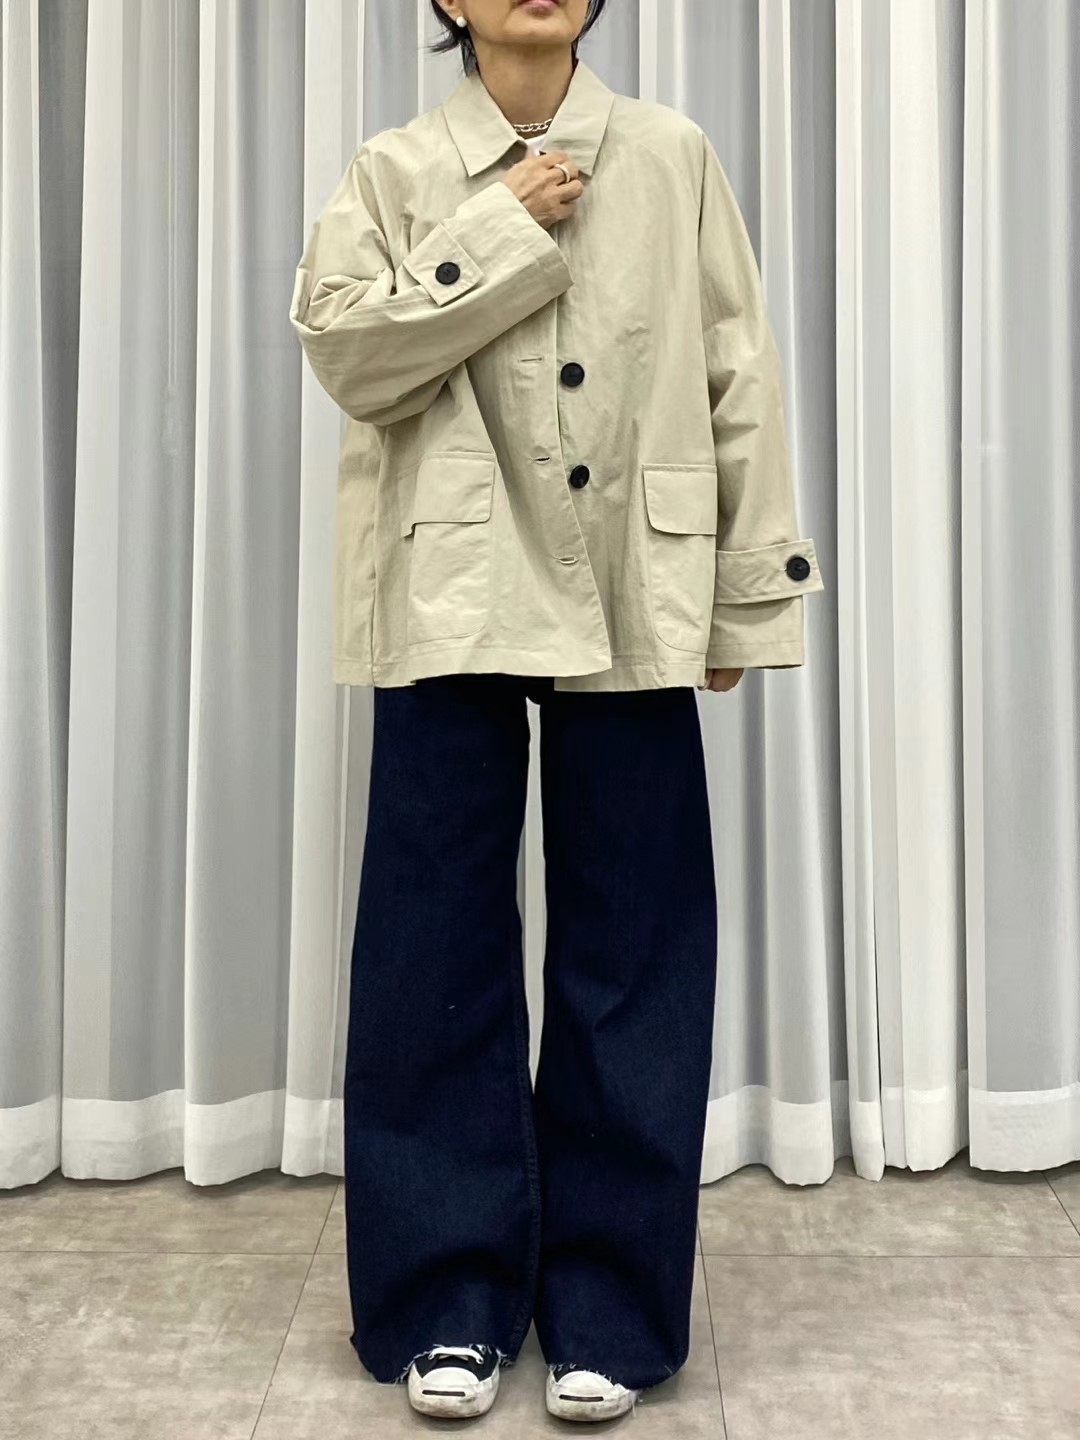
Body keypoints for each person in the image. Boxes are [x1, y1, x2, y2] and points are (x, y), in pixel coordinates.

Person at [289, 0, 824, 1424]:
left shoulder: (670, 154)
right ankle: (446, 1298)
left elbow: (738, 372)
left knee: (633, 950)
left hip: (634, 576)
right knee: (434, 951)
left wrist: (743, 594)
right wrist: (502, 224)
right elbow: (348, 358)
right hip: (447, 583)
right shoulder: (398, 170)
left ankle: (609, 1307)